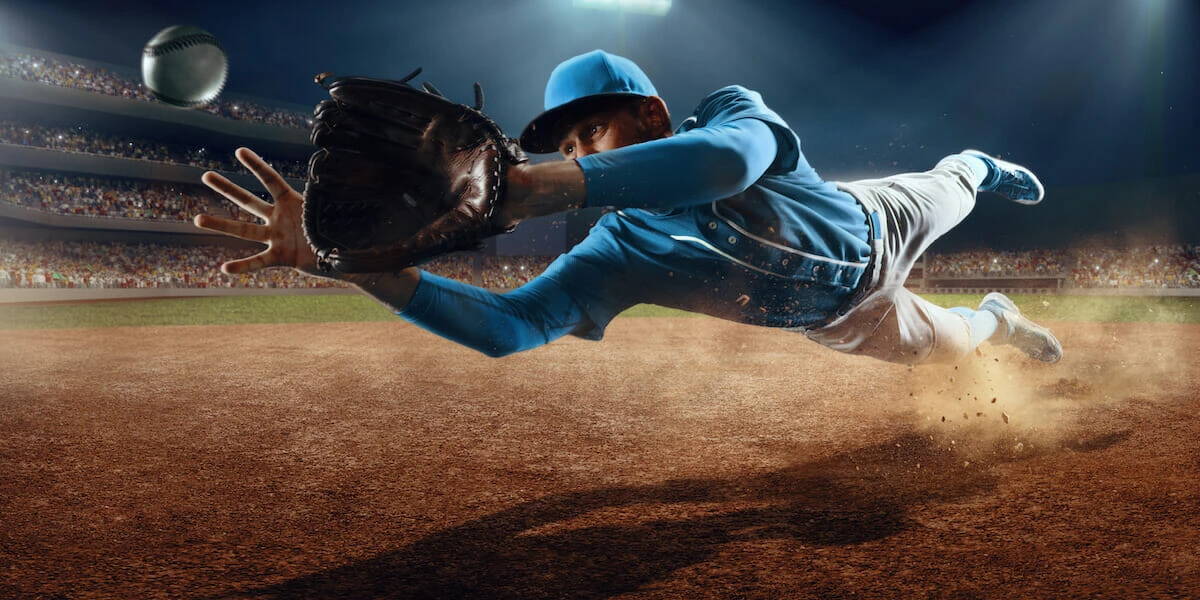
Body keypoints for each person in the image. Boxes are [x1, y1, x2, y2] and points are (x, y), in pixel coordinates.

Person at [193, 49, 1061, 365]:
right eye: (559, 146)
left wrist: (533, 183)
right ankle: (998, 315)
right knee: (957, 345)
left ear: (648, 115)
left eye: (590, 132)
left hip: (875, 218)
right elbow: (510, 331)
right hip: (845, 315)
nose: (574, 154)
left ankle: (977, 159)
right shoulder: (617, 252)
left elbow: (723, 166)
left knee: (955, 185)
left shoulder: (731, 112)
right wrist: (354, 267)